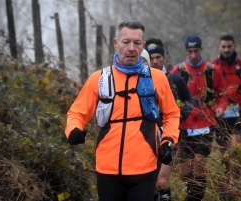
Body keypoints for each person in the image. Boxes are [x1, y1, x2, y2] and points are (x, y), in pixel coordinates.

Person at [64, 19, 180, 201]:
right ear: (116, 43)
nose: (131, 48)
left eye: (137, 43)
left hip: (145, 169)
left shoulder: (157, 78)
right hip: (107, 170)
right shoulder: (99, 79)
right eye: (126, 42)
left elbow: (172, 114)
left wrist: (167, 141)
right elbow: (76, 112)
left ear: (143, 47)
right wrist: (73, 129)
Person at [171, 34, 227, 201]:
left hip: (205, 123)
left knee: (200, 163)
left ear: (201, 50)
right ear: (186, 52)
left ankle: (195, 199)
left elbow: (222, 95)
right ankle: (194, 195)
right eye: (190, 51)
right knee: (186, 171)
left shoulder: (212, 70)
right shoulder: (178, 71)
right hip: (184, 125)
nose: (193, 55)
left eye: (196, 51)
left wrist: (220, 108)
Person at [144, 38, 194, 201]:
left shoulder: (175, 79)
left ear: (163, 58)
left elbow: (190, 100)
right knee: (148, 184)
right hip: (146, 137)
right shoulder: (141, 79)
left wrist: (183, 114)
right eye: (151, 58)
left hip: (170, 135)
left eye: (158, 57)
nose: (155, 61)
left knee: (162, 181)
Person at [211, 34, 241, 185]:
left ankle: (235, 182)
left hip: (239, 111)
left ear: (234, 46)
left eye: (229, 46)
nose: (226, 50)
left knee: (236, 147)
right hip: (220, 113)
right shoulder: (213, 66)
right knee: (225, 151)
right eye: (224, 47)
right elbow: (210, 90)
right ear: (219, 48)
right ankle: (228, 181)